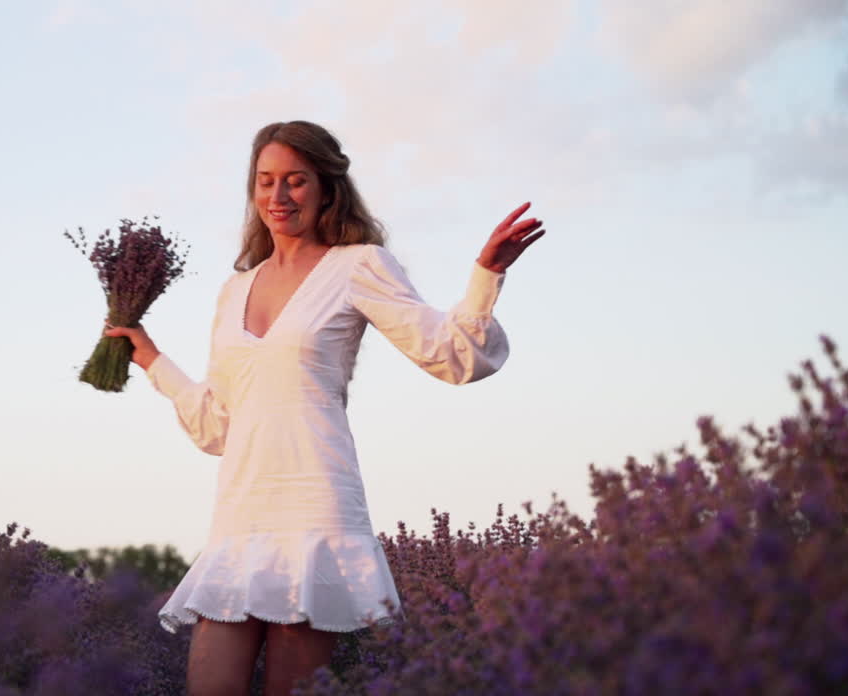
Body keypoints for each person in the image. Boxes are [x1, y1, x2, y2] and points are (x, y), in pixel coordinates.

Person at [104, 120, 544, 696]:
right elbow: (218, 427)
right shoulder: (236, 289)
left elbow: (451, 356)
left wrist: (487, 273)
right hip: (242, 517)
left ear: (326, 187)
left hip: (317, 513)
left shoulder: (358, 264)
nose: (278, 197)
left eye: (295, 181)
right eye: (265, 181)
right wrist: (152, 359)